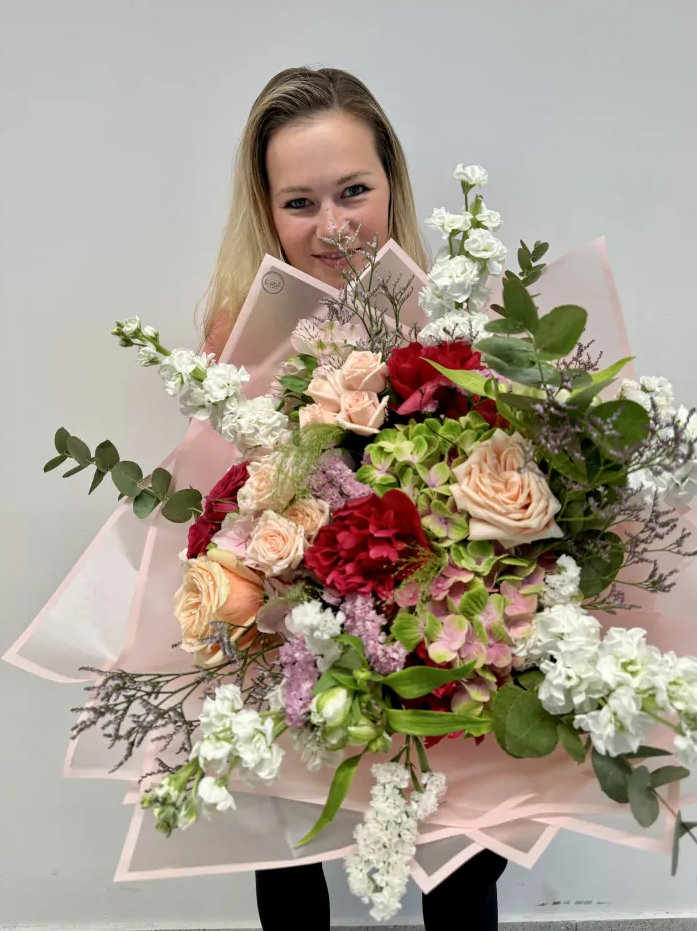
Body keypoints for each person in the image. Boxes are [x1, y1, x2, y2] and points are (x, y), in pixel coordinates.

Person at [199, 65, 507, 931]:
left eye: (353, 191)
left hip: (439, 614)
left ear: (391, 183)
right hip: (302, 620)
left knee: (462, 843)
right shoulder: (234, 334)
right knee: (286, 836)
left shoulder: (457, 316)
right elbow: (225, 495)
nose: (332, 225)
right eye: (299, 203)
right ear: (266, 210)